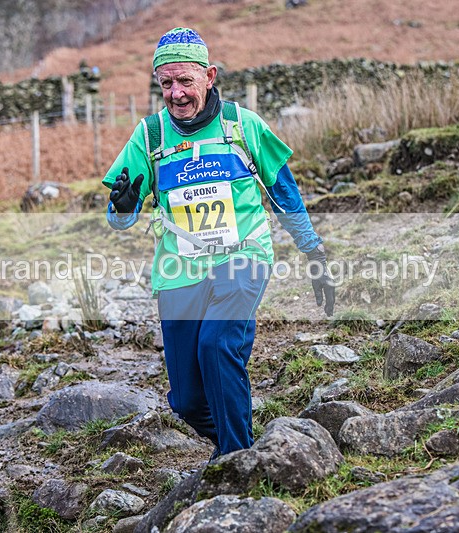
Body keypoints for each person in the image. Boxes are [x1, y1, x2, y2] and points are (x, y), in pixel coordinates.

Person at [102, 27, 334, 460]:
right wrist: (123, 207)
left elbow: (284, 191)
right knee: (187, 401)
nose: (175, 94)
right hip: (179, 269)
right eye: (166, 83)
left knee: (217, 346)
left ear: (209, 76)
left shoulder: (243, 126)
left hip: (242, 256)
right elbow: (119, 216)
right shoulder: (149, 136)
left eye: (185, 81)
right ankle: (237, 439)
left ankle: (236, 458)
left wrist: (313, 252)